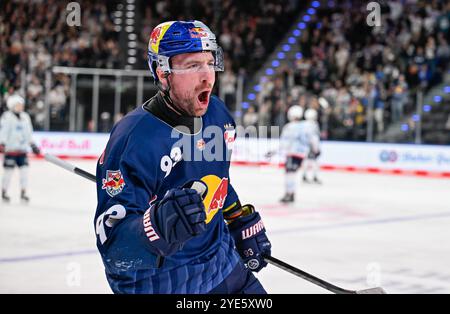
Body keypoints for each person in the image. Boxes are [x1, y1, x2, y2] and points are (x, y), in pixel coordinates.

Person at [94, 20, 272, 294]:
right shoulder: (133, 139)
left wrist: (236, 215)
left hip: (222, 264)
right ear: (163, 72)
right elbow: (115, 250)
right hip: (164, 283)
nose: (208, 77)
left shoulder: (217, 114)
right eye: (192, 66)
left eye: (210, 62)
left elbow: (213, 175)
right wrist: (154, 227)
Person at [0, 94, 40, 203]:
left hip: (22, 151)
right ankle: (4, 191)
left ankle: (23, 192)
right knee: (8, 172)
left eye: (21, 104)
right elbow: (3, 131)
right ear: (12, 105)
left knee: (24, 172)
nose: (21, 106)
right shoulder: (7, 116)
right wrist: (2, 143)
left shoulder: (25, 117)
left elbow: (28, 133)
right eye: (18, 104)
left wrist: (32, 144)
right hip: (11, 150)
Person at [279, 105, 305, 203]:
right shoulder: (304, 126)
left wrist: (278, 150)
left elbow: (284, 141)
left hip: (291, 153)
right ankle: (292, 193)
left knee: (289, 174)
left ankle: (288, 194)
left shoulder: (289, 127)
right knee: (293, 174)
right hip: (301, 154)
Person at [301, 109, 322, 184]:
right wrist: (316, 148)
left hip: (304, 145)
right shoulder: (314, 124)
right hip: (312, 145)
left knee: (306, 161)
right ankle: (314, 176)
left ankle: (304, 175)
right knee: (315, 161)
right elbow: (314, 137)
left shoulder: (303, 124)